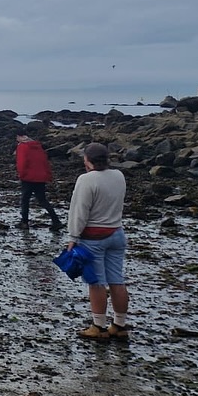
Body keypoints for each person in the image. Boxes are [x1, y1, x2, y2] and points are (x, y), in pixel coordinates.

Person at [67, 142, 130, 341]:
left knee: (96, 283)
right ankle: (119, 325)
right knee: (117, 281)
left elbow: (79, 211)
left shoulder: (86, 180)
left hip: (93, 237)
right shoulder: (118, 176)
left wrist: (73, 238)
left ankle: (98, 326)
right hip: (116, 233)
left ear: (87, 160)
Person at [15, 129, 63, 231]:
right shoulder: (38, 146)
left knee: (25, 199)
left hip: (28, 177)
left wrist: (21, 175)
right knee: (42, 200)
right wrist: (48, 175)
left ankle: (24, 222)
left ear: (19, 137)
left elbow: (22, 162)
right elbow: (45, 161)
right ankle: (56, 221)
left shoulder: (22, 147)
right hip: (41, 177)